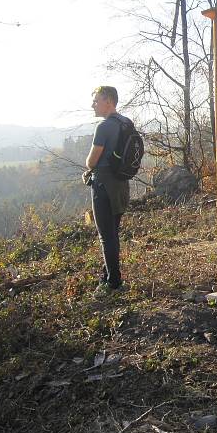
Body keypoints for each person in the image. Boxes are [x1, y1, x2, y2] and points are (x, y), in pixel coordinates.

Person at [84, 86, 131, 295]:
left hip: (103, 186)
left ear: (109, 101)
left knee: (106, 236)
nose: (93, 104)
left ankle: (113, 283)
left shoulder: (103, 128)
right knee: (113, 233)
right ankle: (107, 276)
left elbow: (91, 161)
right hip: (121, 185)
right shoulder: (126, 123)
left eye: (96, 100)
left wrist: (89, 167)